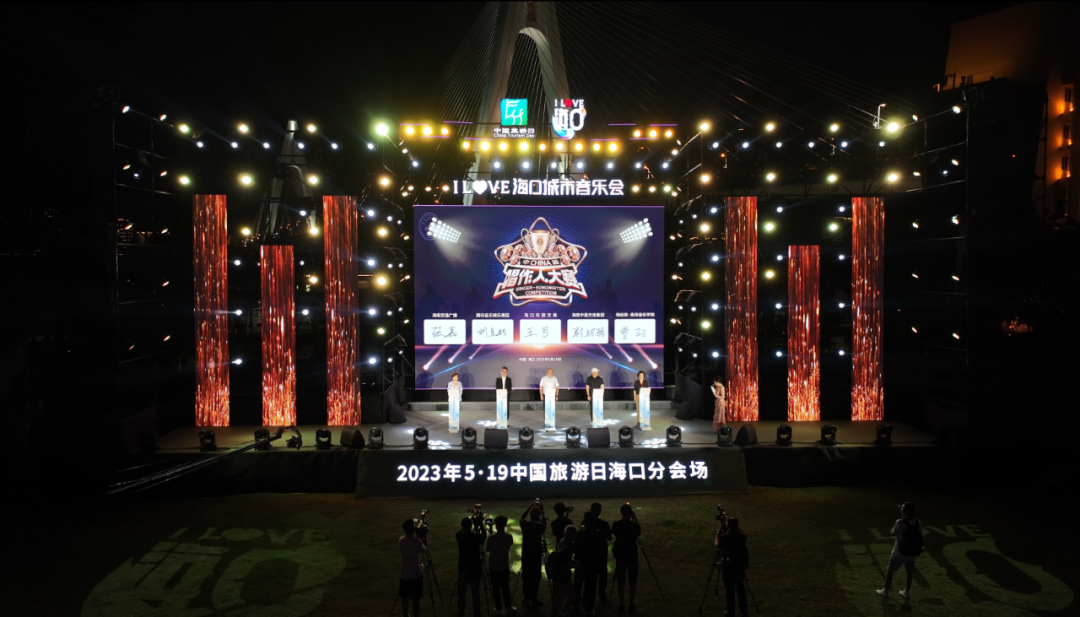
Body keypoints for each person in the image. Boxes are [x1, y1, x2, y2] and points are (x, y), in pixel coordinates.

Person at [877, 502, 923, 600]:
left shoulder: (900, 522)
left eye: (902, 509)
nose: (901, 510)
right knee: (909, 572)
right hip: (911, 553)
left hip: (899, 552)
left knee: (890, 570)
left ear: (906, 511)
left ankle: (886, 591)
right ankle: (906, 592)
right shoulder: (918, 522)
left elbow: (893, 533)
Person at [717, 517, 749, 617]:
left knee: (729, 590)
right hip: (739, 567)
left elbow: (717, 545)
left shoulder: (725, 537)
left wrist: (717, 535)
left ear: (728, 525)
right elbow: (741, 532)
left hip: (728, 567)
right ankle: (743, 609)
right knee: (740, 588)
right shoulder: (742, 537)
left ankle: (731, 610)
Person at [611, 503, 641, 613]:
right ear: (630, 513)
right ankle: (631, 603)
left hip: (620, 555)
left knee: (620, 580)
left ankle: (621, 603)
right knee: (632, 581)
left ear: (621, 513)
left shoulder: (616, 524)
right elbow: (638, 532)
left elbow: (614, 533)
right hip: (632, 555)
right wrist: (635, 518)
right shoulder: (634, 526)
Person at [575, 511, 606, 616]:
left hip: (581, 564)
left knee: (578, 586)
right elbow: (603, 550)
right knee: (591, 587)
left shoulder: (580, 534)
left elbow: (576, 549)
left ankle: (575, 606)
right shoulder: (599, 534)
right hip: (593, 565)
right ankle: (589, 609)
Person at [519, 502, 549, 608]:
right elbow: (544, 524)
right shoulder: (540, 527)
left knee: (526, 577)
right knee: (535, 577)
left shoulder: (525, 525)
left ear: (530, 515)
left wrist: (530, 507)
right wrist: (542, 511)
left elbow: (522, 517)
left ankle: (526, 598)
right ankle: (533, 598)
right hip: (536, 556)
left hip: (526, 555)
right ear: (539, 516)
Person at [456, 517, 487, 617]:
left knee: (461, 592)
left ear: (462, 526)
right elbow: (484, 536)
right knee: (475, 592)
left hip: (463, 567)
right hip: (475, 568)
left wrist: (465, 527)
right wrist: (480, 524)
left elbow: (458, 533)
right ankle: (477, 611)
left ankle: (461, 611)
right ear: (471, 525)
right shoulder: (476, 537)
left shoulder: (460, 537)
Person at [399, 519, 428, 617]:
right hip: (416, 575)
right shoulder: (417, 542)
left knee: (405, 597)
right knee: (416, 599)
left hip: (404, 575)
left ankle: (405, 614)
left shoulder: (401, 540)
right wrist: (424, 537)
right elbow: (424, 549)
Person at [488, 515, 516, 615]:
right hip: (504, 566)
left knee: (495, 588)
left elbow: (488, 549)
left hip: (493, 567)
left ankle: (498, 608)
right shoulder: (509, 537)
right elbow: (510, 544)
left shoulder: (491, 538)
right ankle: (508, 606)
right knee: (505, 587)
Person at [549, 525, 578, 617]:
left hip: (564, 578)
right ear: (571, 535)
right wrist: (575, 566)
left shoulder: (562, 541)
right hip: (561, 579)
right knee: (558, 602)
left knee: (573, 597)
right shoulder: (567, 549)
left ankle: (563, 613)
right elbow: (564, 565)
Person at [589, 503, 612, 602]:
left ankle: (590, 591)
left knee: (591, 573)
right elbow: (609, 538)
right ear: (599, 511)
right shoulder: (604, 524)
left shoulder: (585, 523)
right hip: (602, 551)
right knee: (602, 573)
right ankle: (601, 591)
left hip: (590, 551)